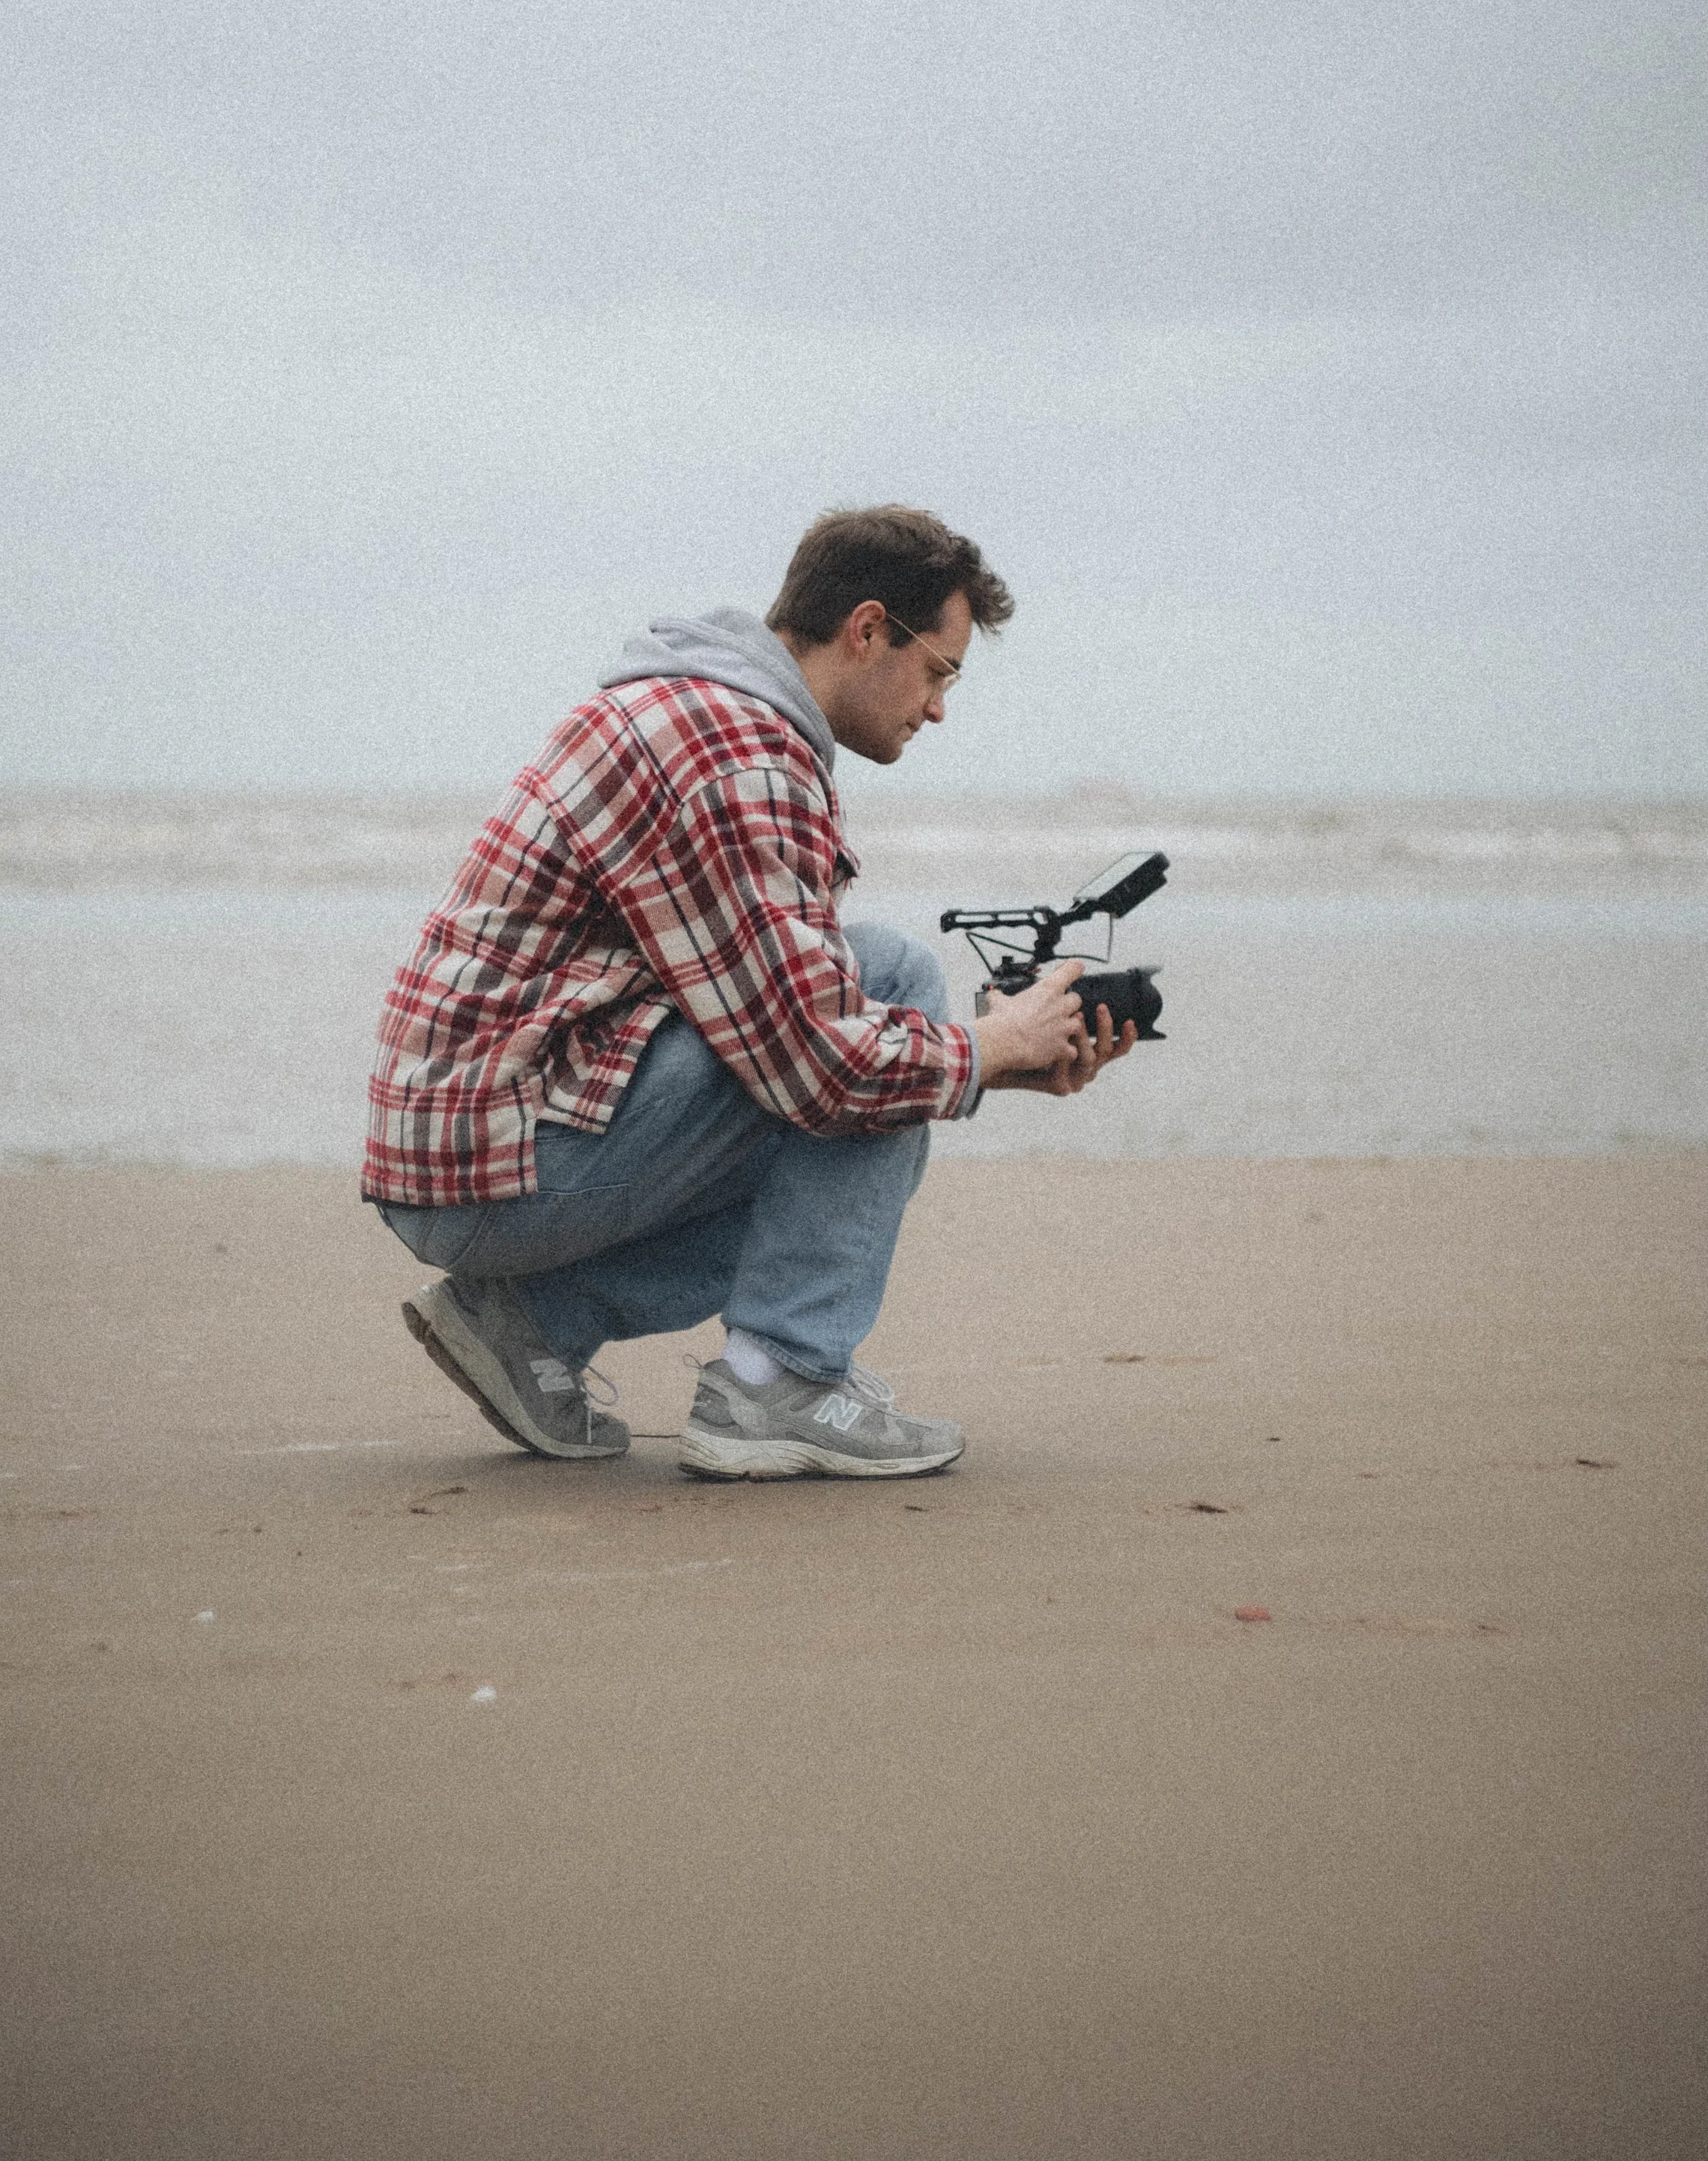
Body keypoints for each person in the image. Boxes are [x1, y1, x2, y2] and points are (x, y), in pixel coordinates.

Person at [363, 505, 1136, 1480]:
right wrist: (984, 1050)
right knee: (888, 979)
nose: (938, 707)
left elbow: (777, 1020)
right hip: (495, 1160)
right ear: (866, 629)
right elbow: (820, 1064)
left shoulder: (709, 710)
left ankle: (527, 1320)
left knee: (869, 1097)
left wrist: (1002, 1061)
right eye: (938, 670)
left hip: (473, 1143)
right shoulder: (741, 755)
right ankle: (781, 1383)